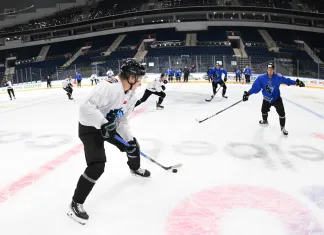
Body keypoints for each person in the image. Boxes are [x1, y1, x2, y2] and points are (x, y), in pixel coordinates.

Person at [67, 59, 149, 225]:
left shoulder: (132, 95)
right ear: (131, 78)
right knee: (97, 165)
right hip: (90, 128)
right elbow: (86, 107)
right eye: (139, 79)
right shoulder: (110, 86)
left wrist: (128, 139)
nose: (141, 83)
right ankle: (76, 203)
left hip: (109, 127)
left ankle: (134, 168)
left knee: (133, 146)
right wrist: (103, 124)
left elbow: (122, 120)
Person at [242, 63, 305, 135]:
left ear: (273, 70)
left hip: (276, 99)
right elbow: (255, 88)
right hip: (266, 99)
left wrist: (297, 83)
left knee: (282, 113)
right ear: (267, 69)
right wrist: (248, 94)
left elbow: (287, 81)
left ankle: (283, 128)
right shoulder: (261, 78)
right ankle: (265, 121)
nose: (270, 71)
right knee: (263, 111)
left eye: (271, 70)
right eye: (268, 70)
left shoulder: (278, 77)